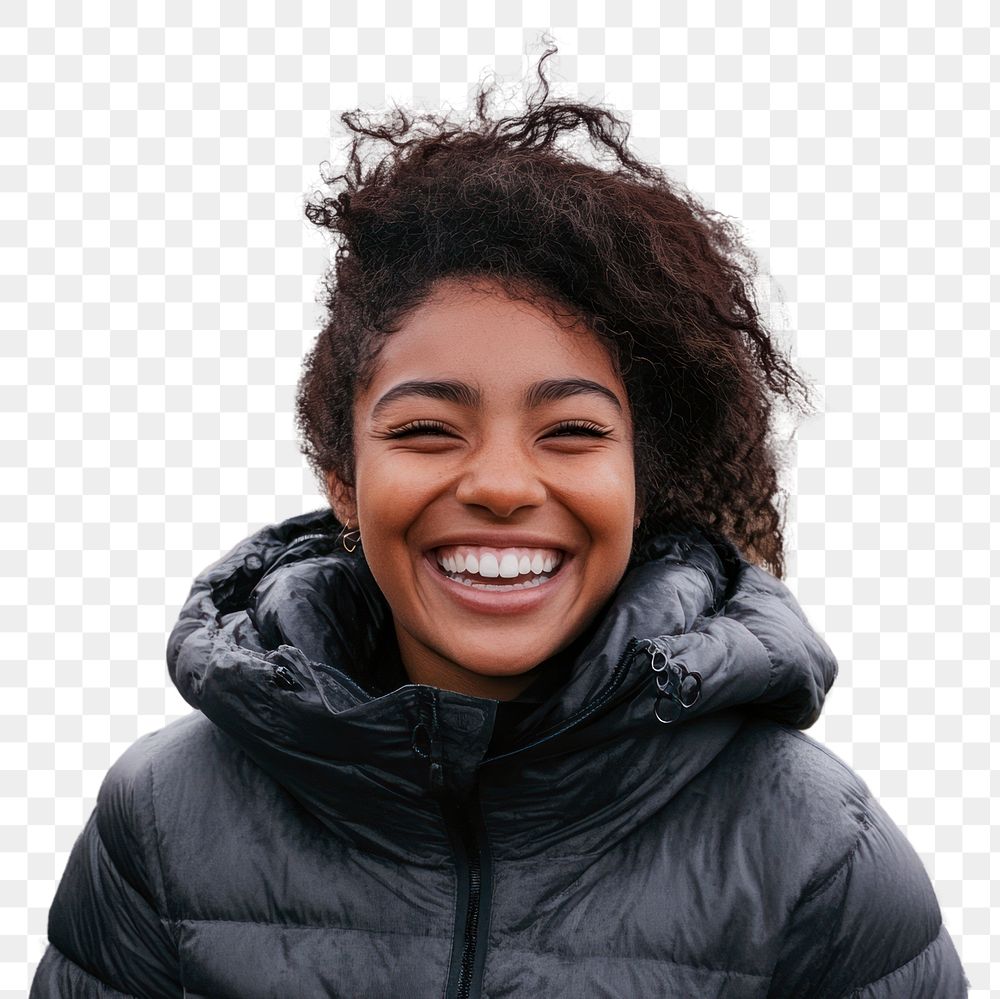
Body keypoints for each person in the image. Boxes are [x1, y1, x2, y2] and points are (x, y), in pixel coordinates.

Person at [31, 52, 968, 998]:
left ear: (643, 482)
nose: (503, 484)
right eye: (427, 429)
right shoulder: (159, 822)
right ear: (344, 485)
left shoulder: (818, 850)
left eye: (570, 430)